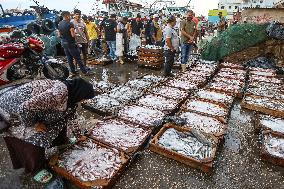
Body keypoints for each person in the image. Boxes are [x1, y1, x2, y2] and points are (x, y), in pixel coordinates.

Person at [0, 78, 95, 182]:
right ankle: (36, 168)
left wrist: (78, 135)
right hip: (13, 110)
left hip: (32, 109)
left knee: (59, 119)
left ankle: (60, 143)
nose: (84, 101)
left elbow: (71, 116)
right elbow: (24, 108)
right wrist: (35, 124)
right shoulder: (58, 94)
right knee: (35, 136)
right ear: (80, 93)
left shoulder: (71, 97)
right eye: (84, 98)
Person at [58, 11, 91, 76]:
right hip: (71, 43)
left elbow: (59, 35)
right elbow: (73, 35)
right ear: (67, 16)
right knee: (78, 58)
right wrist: (76, 34)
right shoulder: (70, 24)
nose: (70, 17)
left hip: (64, 43)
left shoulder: (60, 23)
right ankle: (85, 72)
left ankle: (73, 71)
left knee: (69, 58)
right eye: (69, 15)